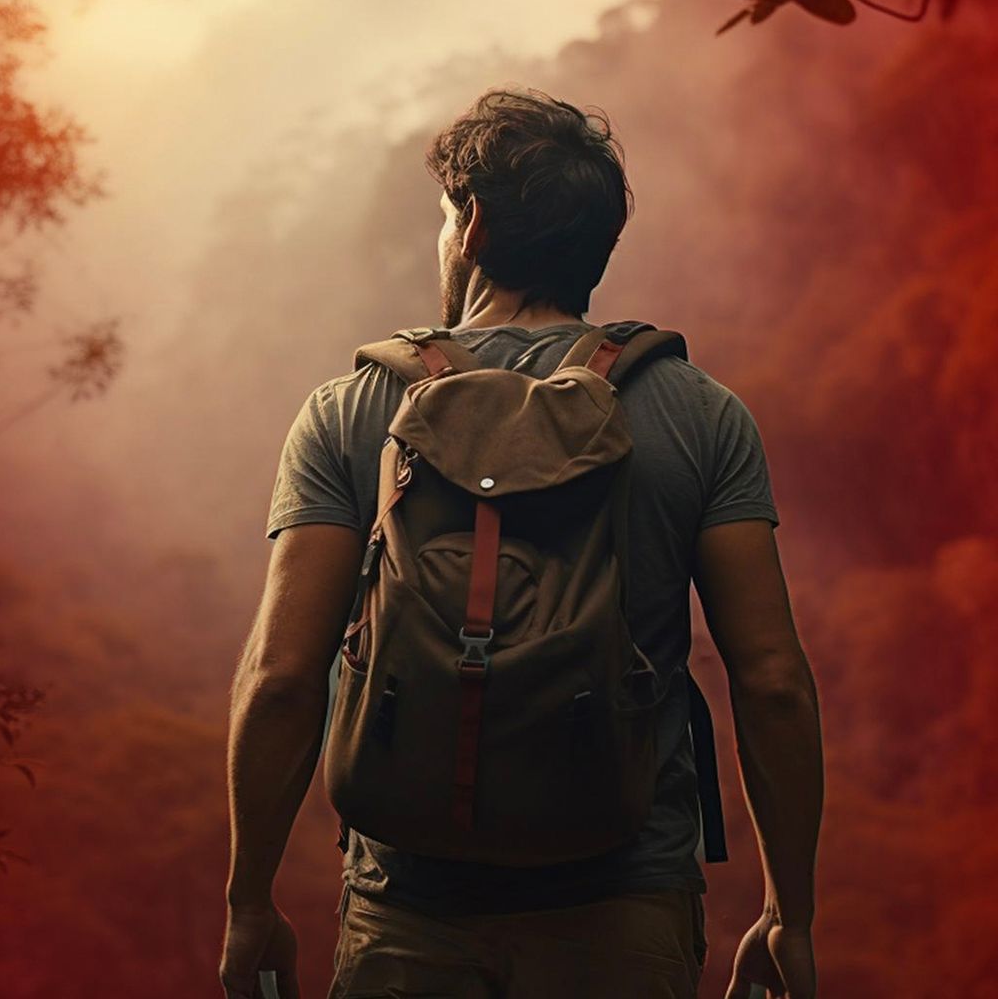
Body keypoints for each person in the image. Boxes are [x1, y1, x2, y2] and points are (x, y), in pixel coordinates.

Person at [220, 89, 823, 999]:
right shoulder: (700, 415)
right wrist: (789, 914)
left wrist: (248, 901)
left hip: (409, 912)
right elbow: (772, 680)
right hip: (623, 910)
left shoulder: (353, 414)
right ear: (596, 244)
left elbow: (281, 679)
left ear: (469, 227)